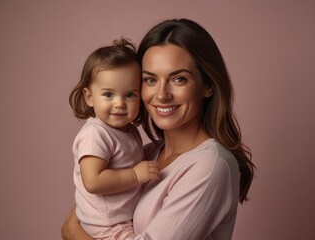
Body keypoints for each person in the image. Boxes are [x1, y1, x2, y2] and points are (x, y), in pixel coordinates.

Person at [62, 18, 255, 240]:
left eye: (179, 79)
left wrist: (73, 234)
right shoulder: (147, 153)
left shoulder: (211, 166)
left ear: (208, 85)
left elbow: (76, 223)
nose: (162, 95)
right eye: (150, 79)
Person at [68, 38, 160, 240]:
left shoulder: (128, 130)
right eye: (108, 94)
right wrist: (135, 175)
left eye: (129, 95)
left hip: (119, 219)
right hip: (106, 225)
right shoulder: (95, 135)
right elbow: (93, 181)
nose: (119, 103)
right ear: (89, 97)